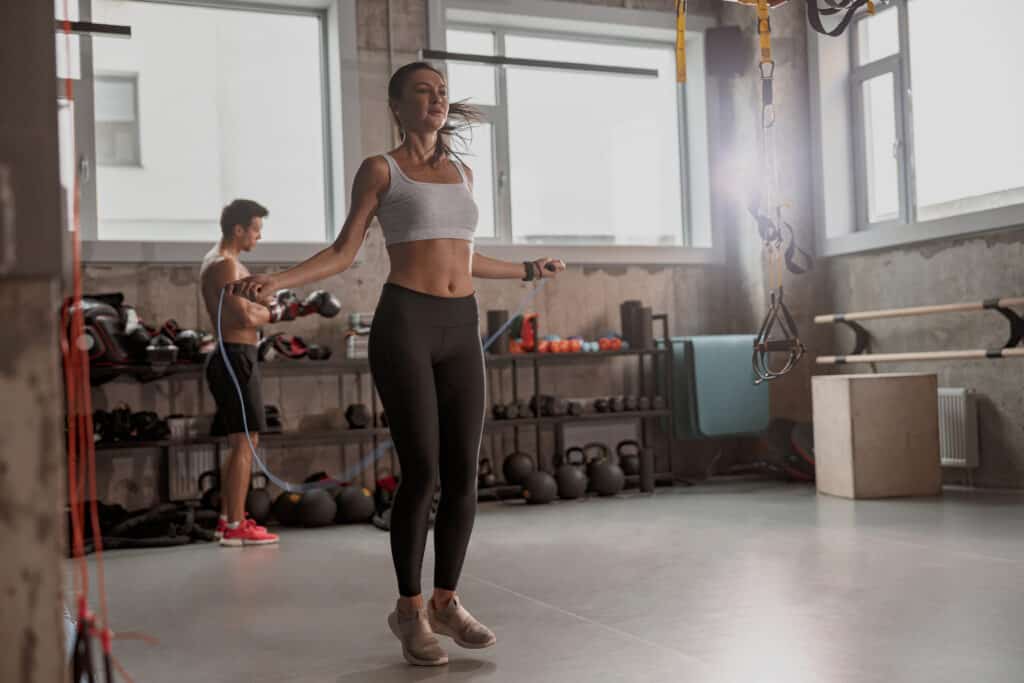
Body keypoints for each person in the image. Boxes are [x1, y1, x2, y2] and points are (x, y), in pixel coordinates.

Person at [232, 62, 565, 666]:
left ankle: (446, 601)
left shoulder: (462, 172)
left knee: (464, 471)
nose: (438, 99)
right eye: (424, 91)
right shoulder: (381, 169)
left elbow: (464, 256)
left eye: (442, 92)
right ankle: (409, 611)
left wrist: (524, 269)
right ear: (396, 104)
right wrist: (275, 282)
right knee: (424, 472)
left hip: (461, 324)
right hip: (406, 323)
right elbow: (342, 251)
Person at [200, 199, 281, 548]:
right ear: (238, 229)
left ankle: (228, 519)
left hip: (235, 355)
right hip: (235, 356)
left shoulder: (220, 262)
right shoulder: (227, 265)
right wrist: (276, 313)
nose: (258, 237)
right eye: (256, 230)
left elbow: (251, 309)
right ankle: (234, 524)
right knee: (246, 442)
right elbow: (245, 317)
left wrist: (264, 307)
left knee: (241, 442)